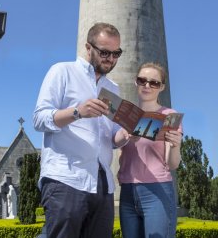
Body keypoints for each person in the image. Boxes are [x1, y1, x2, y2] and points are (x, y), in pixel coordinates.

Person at [33, 22, 130, 238]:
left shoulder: (113, 88)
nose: (111, 59)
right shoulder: (62, 71)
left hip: (102, 183)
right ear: (88, 48)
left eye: (116, 53)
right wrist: (77, 112)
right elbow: (39, 119)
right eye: (104, 52)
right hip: (66, 178)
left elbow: (110, 137)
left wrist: (124, 136)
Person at [118, 62, 183, 238]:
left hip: (157, 189)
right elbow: (113, 142)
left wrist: (176, 145)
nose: (147, 85)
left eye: (154, 83)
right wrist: (125, 135)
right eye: (142, 80)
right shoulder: (127, 114)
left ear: (161, 87)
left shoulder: (169, 115)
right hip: (127, 190)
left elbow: (173, 163)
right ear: (136, 82)